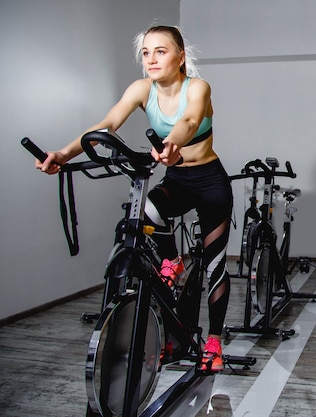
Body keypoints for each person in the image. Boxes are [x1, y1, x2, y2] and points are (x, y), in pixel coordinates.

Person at [36, 25, 232, 373]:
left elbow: (189, 119)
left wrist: (171, 142)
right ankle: (173, 259)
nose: (151, 59)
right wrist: (64, 153)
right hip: (177, 179)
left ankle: (214, 340)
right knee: (144, 212)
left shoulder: (197, 87)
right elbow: (107, 123)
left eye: (160, 51)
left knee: (216, 266)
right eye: (146, 52)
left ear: (181, 55)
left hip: (210, 181)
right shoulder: (141, 90)